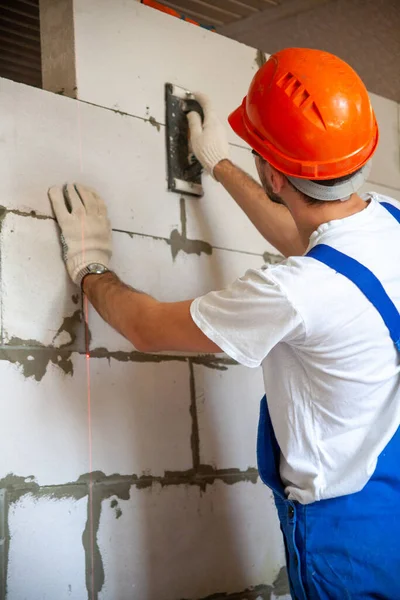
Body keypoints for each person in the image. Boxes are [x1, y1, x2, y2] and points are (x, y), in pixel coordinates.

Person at [49, 48, 400, 599]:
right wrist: (217, 163)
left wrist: (92, 268)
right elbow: (305, 238)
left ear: (271, 170)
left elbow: (147, 328)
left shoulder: (297, 291)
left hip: (344, 539)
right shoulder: (388, 223)